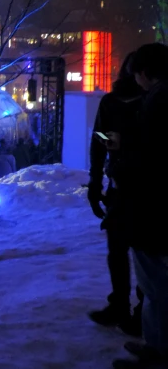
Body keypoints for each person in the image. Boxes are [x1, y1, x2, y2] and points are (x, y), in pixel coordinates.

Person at [112, 43, 168, 369]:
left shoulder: (158, 102)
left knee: (155, 284)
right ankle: (155, 345)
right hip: (157, 206)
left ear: (146, 73)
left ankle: (158, 353)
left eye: (138, 76)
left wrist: (119, 162)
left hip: (152, 208)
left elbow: (148, 160)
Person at [86, 53, 144, 337]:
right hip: (130, 188)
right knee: (132, 252)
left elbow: (98, 140)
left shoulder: (115, 101)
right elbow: (99, 139)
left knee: (128, 252)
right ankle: (134, 310)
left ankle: (131, 309)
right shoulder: (116, 102)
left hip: (131, 188)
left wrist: (96, 181)